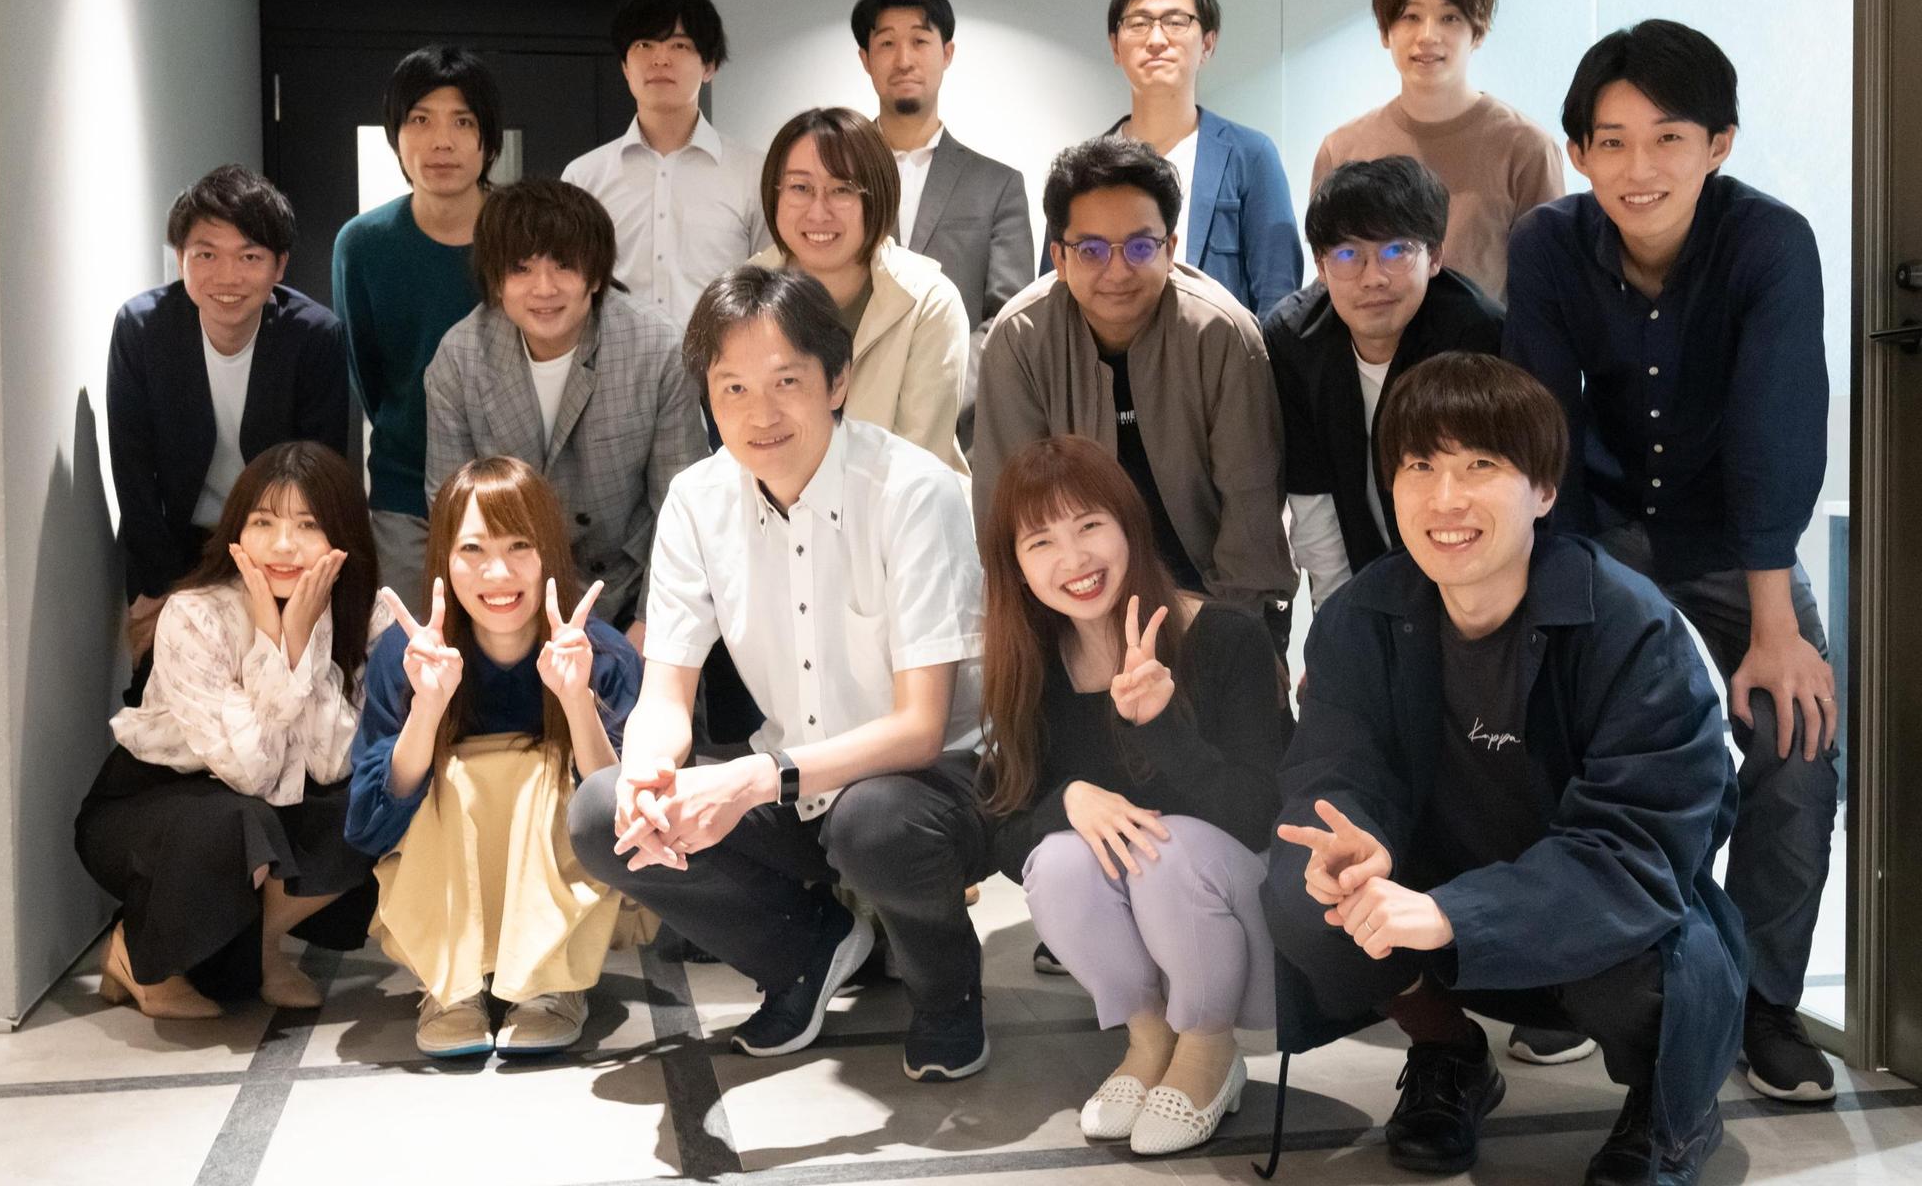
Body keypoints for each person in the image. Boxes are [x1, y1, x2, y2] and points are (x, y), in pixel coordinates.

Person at [1266, 352, 1741, 1186]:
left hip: (1600, 918)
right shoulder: (1361, 617)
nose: (1445, 498)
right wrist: (1353, 838)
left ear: (1544, 491)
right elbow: (1338, 762)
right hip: (1443, 899)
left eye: (1481, 465)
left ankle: (1671, 1108)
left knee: (1644, 970)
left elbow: (1637, 852)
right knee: (1309, 898)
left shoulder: (1630, 628)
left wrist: (1454, 913)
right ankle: (1450, 1054)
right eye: (1420, 466)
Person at [1504, 18, 1840, 1104]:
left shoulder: (1769, 243)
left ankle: (1762, 1001)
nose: (1636, 168)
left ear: (1718, 144)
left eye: (1667, 138)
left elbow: (1776, 426)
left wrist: (1776, 625)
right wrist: (1548, 600)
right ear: (1577, 153)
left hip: (1737, 539)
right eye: (1609, 141)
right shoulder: (1548, 244)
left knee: (1796, 735)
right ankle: (1568, 970)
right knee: (1549, 721)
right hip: (1596, 529)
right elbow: (1542, 426)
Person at [567, 266, 991, 1082]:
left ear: (838, 382)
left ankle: (947, 991)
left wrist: (755, 780)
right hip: (796, 786)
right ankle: (806, 951)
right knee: (599, 813)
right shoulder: (697, 501)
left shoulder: (913, 491)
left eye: (786, 382)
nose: (759, 414)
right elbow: (665, 692)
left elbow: (921, 727)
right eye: (732, 388)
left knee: (874, 823)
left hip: (936, 787)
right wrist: (650, 776)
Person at [982, 435, 1281, 1155]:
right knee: (1058, 859)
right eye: (1041, 542)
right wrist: (1068, 801)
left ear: (1130, 525)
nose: (1073, 559)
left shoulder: (1225, 636)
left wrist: (1162, 728)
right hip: (1148, 923)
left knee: (1164, 848)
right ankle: (1149, 1039)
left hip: (1244, 913)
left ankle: (1209, 1046)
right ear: (1016, 566)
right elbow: (1001, 834)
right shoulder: (1032, 663)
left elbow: (1260, 815)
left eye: (1089, 525)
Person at [76, 442, 385, 1018]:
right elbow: (251, 771)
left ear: (342, 534)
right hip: (156, 794)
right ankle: (136, 956)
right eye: (263, 522)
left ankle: (261, 952)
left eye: (308, 524)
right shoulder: (195, 614)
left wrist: (304, 638)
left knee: (370, 804)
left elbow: (332, 765)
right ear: (237, 531)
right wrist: (275, 644)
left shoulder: (368, 614)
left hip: (265, 793)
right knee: (239, 820)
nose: (283, 544)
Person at [345, 457, 640, 1059]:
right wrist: (427, 710)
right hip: (442, 880)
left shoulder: (601, 655)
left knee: (542, 769)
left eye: (519, 546)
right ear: (443, 559)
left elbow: (623, 817)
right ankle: (451, 986)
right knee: (450, 774)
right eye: (472, 549)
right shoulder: (405, 656)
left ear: (550, 551)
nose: (498, 572)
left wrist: (576, 699)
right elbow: (368, 826)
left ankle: (550, 981)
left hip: (567, 875)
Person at [977, 135, 1296, 651]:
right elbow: (1008, 516)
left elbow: (1251, 516)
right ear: (1058, 257)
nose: (1118, 270)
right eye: (1091, 250)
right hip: (1073, 616)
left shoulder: (1221, 334)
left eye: (1141, 247)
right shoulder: (1021, 339)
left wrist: (1233, 650)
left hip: (1213, 602)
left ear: (1170, 249)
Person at [423, 178, 708, 649]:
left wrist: (648, 633)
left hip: (633, 593)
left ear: (595, 276)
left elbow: (682, 508)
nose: (544, 288)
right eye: (521, 268)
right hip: (507, 598)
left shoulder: (656, 349)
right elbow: (450, 510)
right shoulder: (460, 358)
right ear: (496, 279)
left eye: (564, 266)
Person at [107, 166, 349, 683]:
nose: (227, 276)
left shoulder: (314, 338)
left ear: (279, 266)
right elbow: (132, 468)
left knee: (280, 686)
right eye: (206, 255)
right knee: (169, 689)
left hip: (280, 545)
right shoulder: (143, 330)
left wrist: (288, 579)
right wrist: (159, 588)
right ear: (180, 258)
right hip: (173, 545)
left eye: (249, 257)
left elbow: (321, 476)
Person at [1267, 156, 1502, 610]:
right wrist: (1339, 616)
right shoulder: (1293, 340)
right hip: (1359, 569)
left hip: (1467, 571)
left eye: (1396, 251)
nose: (1372, 278)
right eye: (1347, 255)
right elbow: (1312, 498)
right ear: (1320, 266)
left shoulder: (1479, 336)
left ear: (1435, 256)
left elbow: (1492, 490)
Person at [333, 44, 502, 613]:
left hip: (510, 487)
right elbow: (368, 376)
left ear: (488, 139)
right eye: (420, 120)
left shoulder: (524, 236)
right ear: (397, 136)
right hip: (404, 493)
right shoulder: (363, 245)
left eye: (463, 122)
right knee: (409, 650)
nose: (441, 142)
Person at [1313, 0, 1562, 303]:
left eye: (1450, 18)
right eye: (1410, 17)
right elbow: (1329, 283)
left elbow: (1548, 292)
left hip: (1486, 341)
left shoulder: (1526, 148)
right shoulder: (1342, 149)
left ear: (1478, 31)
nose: (1428, 36)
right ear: (1385, 32)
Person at [1067, 0, 1300, 320]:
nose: (1156, 39)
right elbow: (1054, 295)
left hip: (1220, 355)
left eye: (1176, 22)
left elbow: (1278, 298)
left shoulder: (1251, 156)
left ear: (1207, 43)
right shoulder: (1081, 169)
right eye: (1138, 24)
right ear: (1115, 46)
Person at [749, 107, 970, 473]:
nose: (818, 213)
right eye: (800, 188)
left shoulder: (929, 301)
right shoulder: (746, 295)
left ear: (876, 196)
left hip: (906, 502)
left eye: (842, 189)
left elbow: (917, 467)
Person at [562, 0, 770, 328]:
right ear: (625, 66)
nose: (660, 59)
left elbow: (770, 284)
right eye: (644, 45)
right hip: (617, 358)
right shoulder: (583, 178)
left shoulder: (754, 173)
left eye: (679, 45)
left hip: (722, 359)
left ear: (709, 66)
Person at [851, 0, 1033, 330]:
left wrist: (948, 366)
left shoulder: (998, 186)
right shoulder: (837, 177)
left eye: (919, 41)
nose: (904, 60)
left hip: (962, 366)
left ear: (947, 54)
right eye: (887, 43)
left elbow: (1009, 318)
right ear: (866, 59)